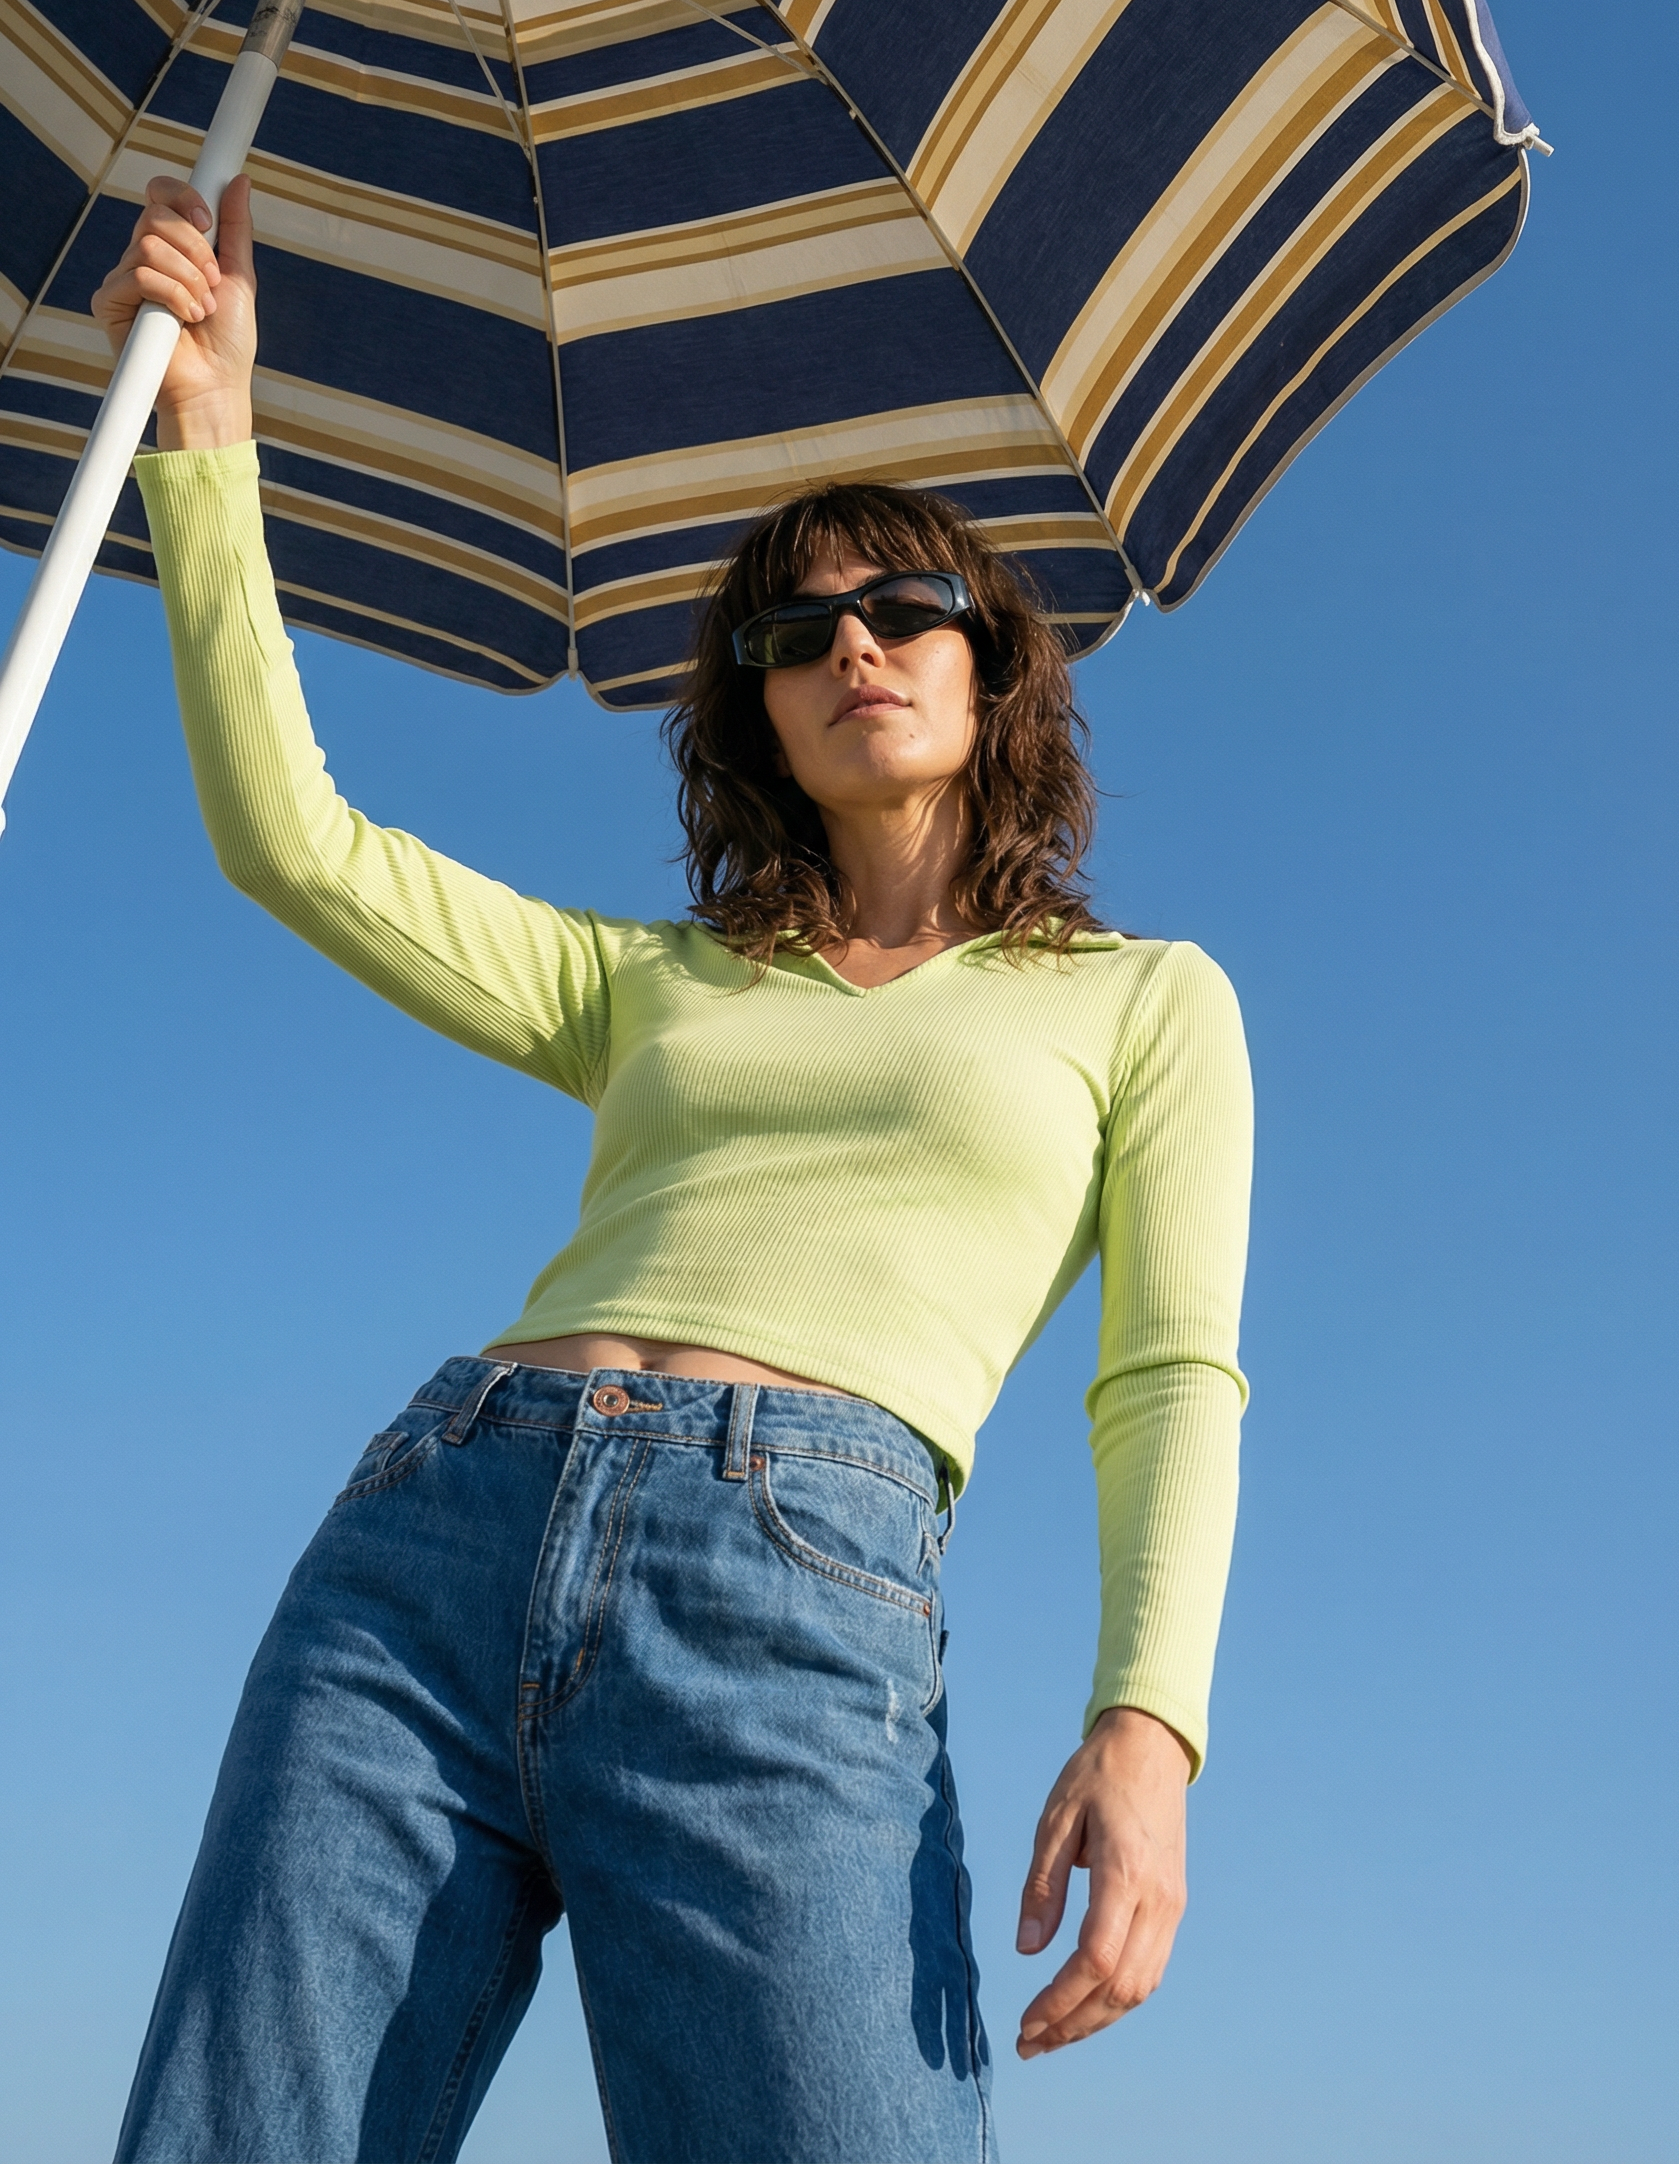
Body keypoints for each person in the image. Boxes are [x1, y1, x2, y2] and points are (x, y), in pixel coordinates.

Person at [95, 175, 1254, 2164]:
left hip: (790, 1599)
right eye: (794, 630)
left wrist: (1145, 1726)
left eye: (903, 611)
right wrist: (209, 438)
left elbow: (1164, 1375)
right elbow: (300, 848)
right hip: (430, 1547)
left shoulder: (1145, 1001)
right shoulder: (656, 982)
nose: (851, 647)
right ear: (755, 709)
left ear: (997, 670)